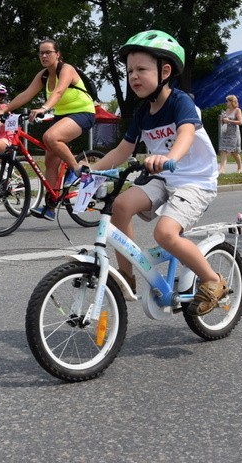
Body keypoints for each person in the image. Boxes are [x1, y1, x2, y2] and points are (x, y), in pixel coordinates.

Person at [85, 30, 224, 317]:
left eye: (141, 70)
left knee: (165, 233)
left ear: (165, 71)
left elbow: (186, 132)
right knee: (121, 206)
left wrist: (169, 157)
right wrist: (89, 170)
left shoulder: (180, 101)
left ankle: (212, 280)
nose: (133, 76)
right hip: (164, 177)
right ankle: (127, 277)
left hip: (194, 181)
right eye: (130, 71)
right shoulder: (142, 112)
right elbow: (122, 151)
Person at [0, 38, 96, 221]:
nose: (44, 56)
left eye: (48, 52)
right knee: (51, 161)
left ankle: (77, 171)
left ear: (57, 54)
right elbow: (26, 94)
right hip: (63, 116)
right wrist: (6, 109)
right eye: (41, 53)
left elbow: (59, 92)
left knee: (50, 137)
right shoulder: (43, 75)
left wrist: (44, 108)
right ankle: (51, 206)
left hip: (83, 112)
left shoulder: (66, 69)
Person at [218, 95, 242, 173]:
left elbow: (240, 122)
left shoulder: (237, 110)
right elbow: (224, 121)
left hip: (233, 135)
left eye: (227, 101)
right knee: (223, 150)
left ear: (232, 102)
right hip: (225, 133)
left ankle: (240, 167)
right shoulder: (227, 110)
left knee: (234, 152)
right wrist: (222, 120)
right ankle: (222, 169)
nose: (226, 103)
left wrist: (229, 121)